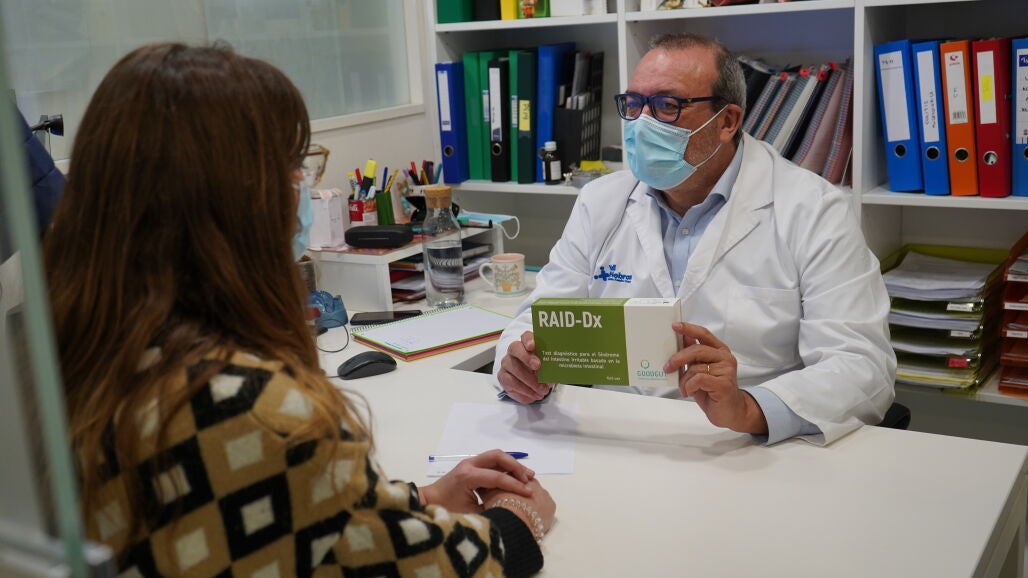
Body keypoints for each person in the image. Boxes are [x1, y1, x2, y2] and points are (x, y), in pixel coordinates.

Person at [44, 43, 554, 577]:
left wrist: (421, 497)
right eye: (292, 167)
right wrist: (518, 518)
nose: (302, 188)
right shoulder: (249, 406)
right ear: (237, 200)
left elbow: (288, 515)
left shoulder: (85, 350)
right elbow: (436, 568)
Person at [494, 33, 896, 446]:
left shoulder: (814, 210)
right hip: (615, 435)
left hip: (746, 447)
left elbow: (861, 366)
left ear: (727, 121)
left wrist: (748, 408)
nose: (641, 124)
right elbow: (538, 320)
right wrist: (518, 367)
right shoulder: (600, 201)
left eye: (667, 106)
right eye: (633, 104)